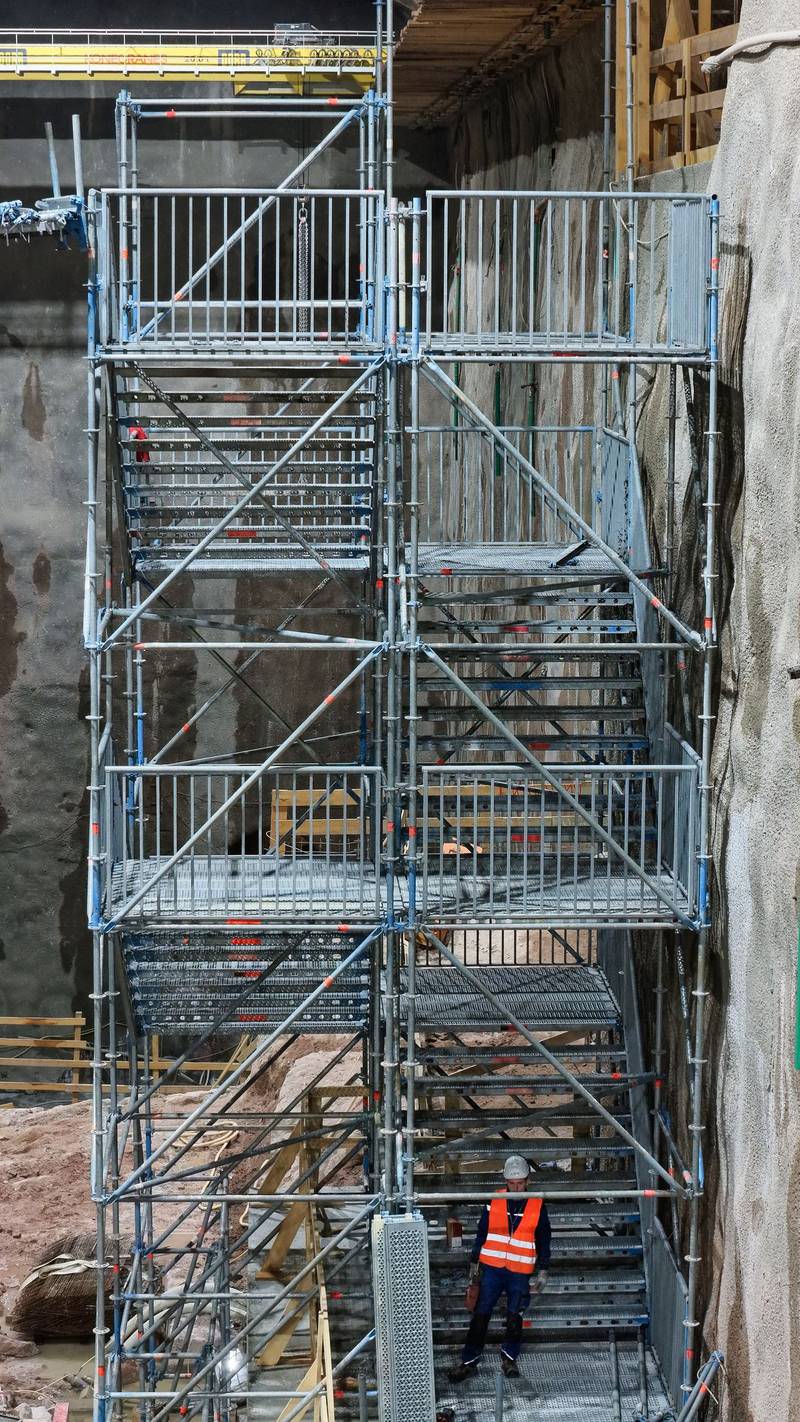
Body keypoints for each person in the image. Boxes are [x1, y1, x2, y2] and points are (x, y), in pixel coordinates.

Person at [447, 1154, 551, 1382]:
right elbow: (482, 1231)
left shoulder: (537, 1204)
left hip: (519, 1271)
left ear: (528, 1180)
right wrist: (475, 1261)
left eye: (520, 1183)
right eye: (512, 1183)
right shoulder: (494, 1199)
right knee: (480, 1315)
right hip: (492, 1269)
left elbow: (544, 1238)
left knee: (515, 1316)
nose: (516, 1188)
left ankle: (509, 1358)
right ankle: (469, 1361)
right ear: (506, 1181)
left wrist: (543, 1269)